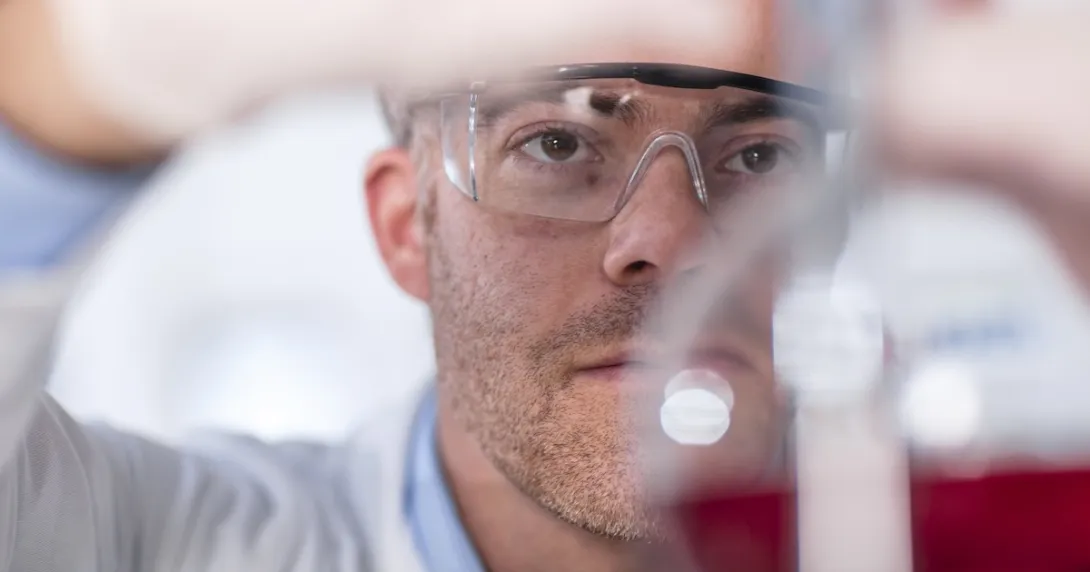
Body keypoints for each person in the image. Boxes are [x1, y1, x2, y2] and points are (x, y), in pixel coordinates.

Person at [2, 0, 1090, 571]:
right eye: (558, 146)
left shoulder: (974, 532)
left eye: (760, 156)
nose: (670, 242)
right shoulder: (143, 538)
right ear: (405, 228)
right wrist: (105, 63)